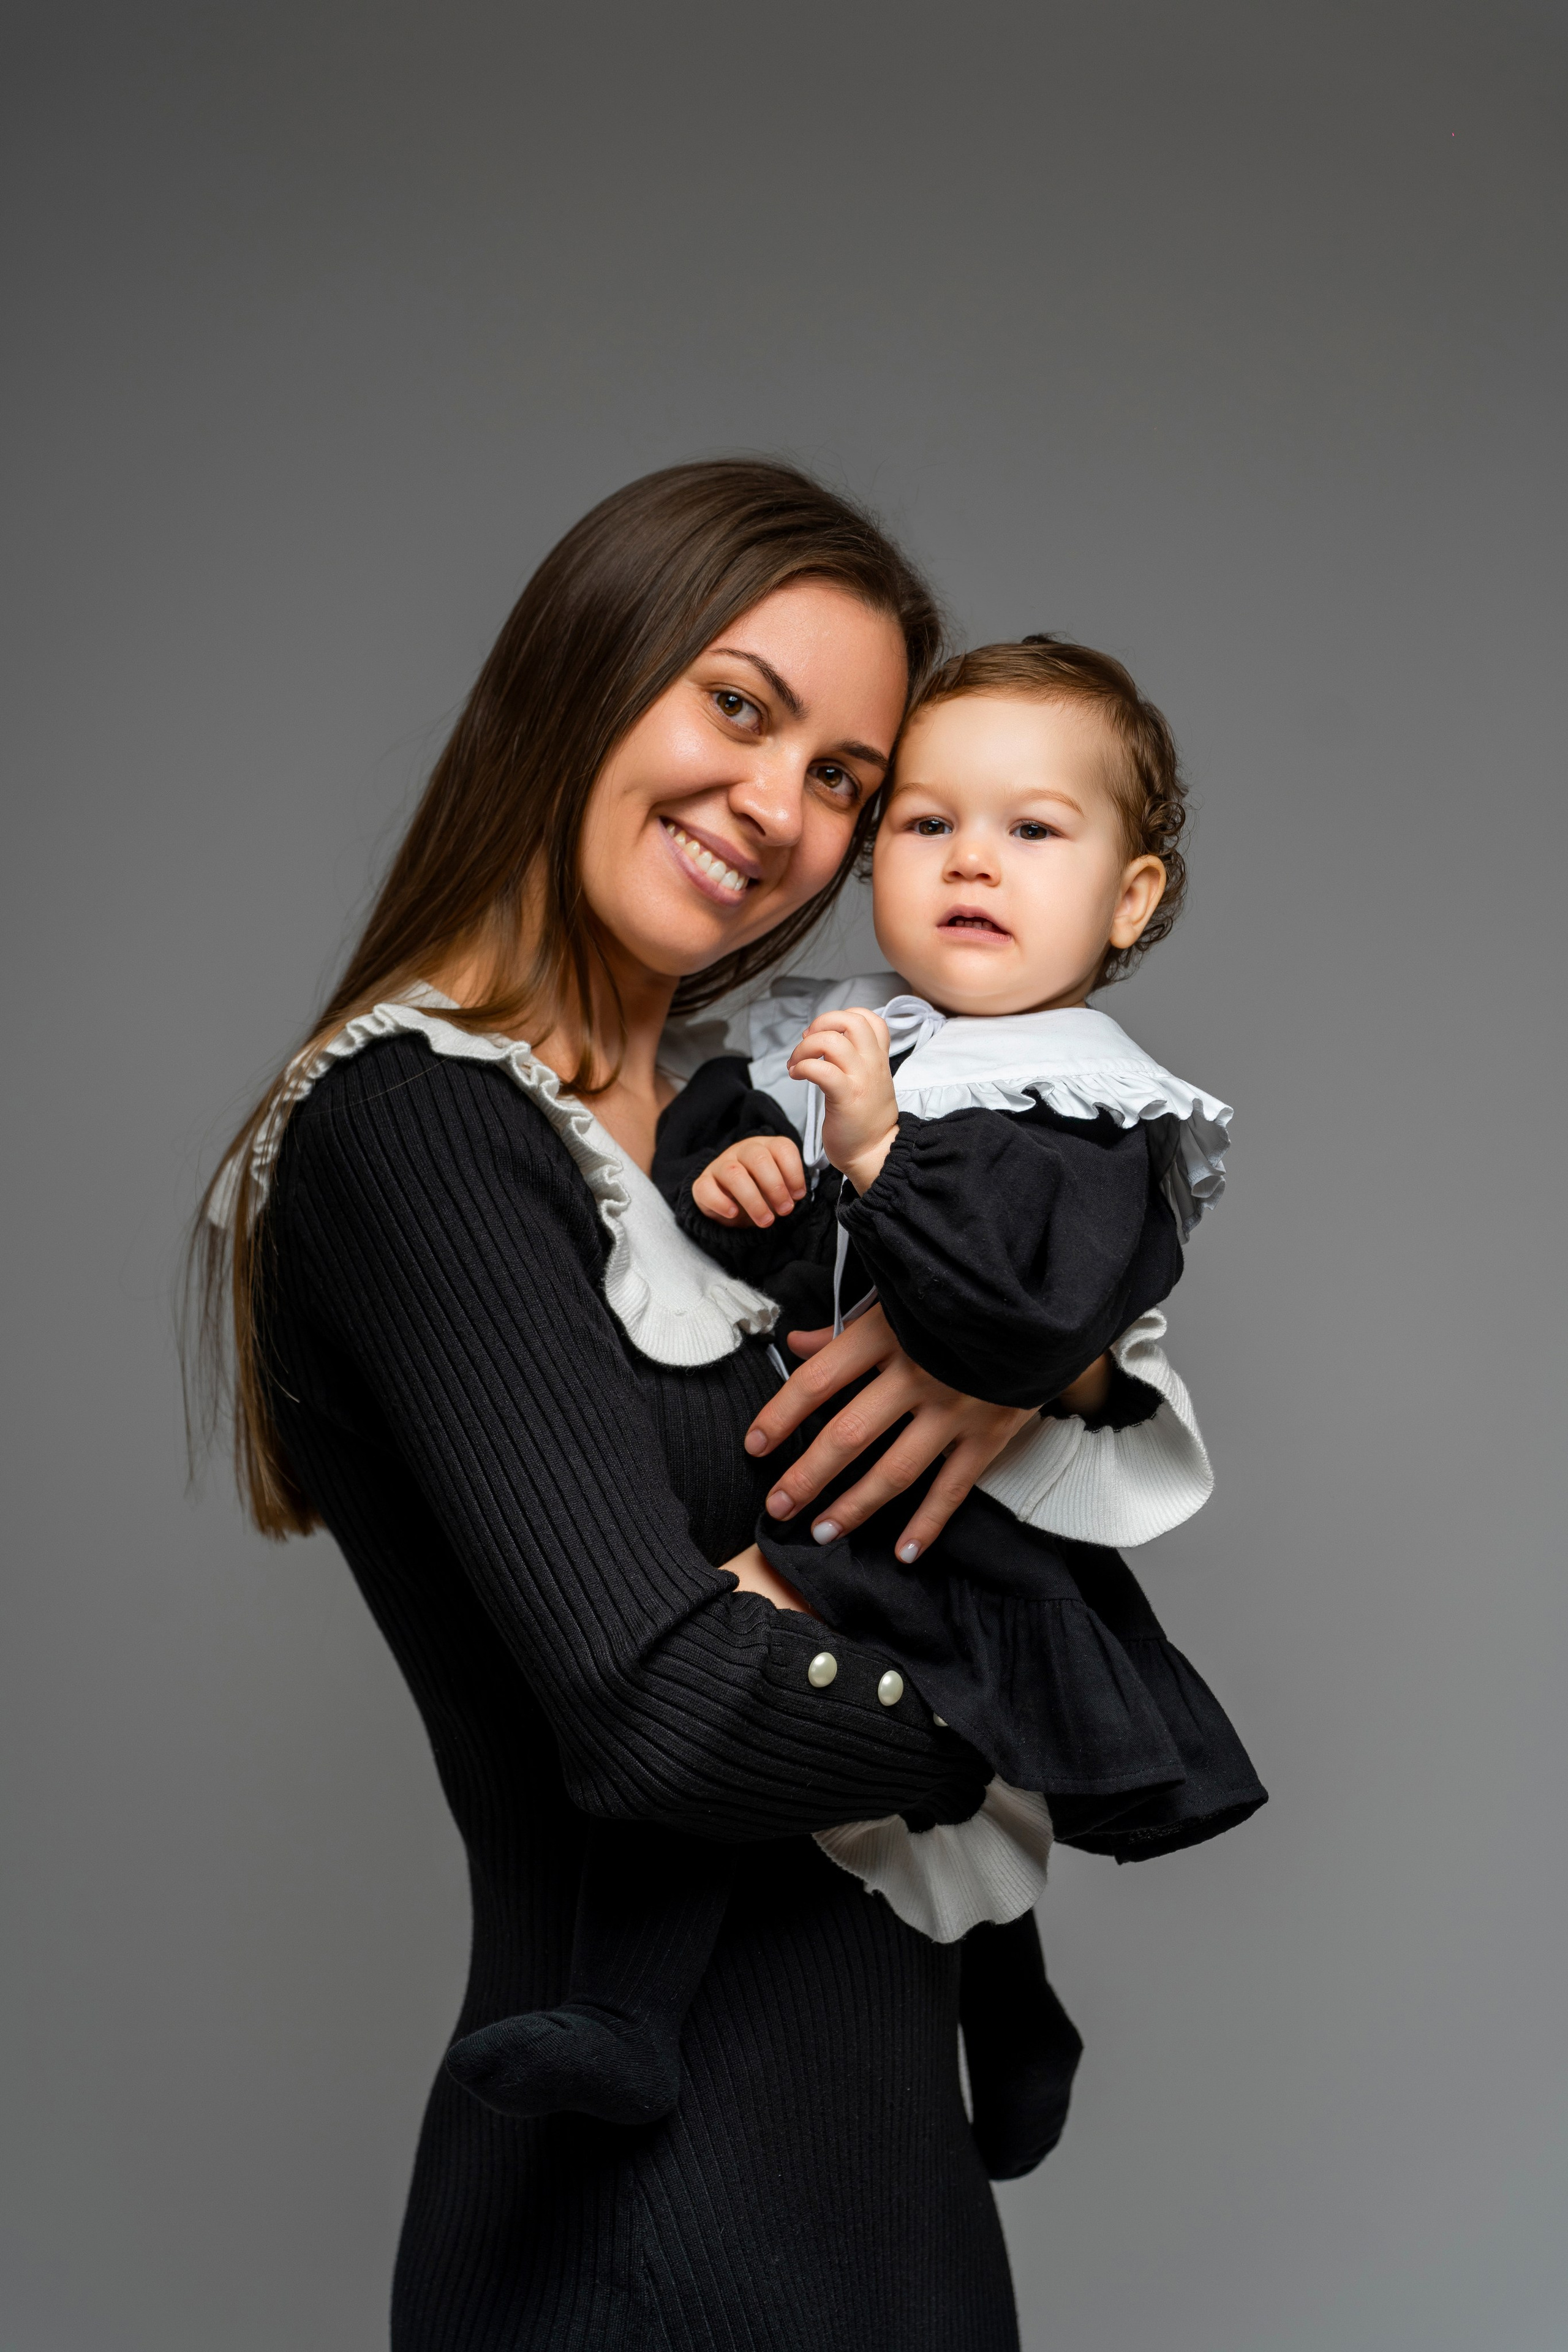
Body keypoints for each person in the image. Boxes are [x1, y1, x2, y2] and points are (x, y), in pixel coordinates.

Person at [189, 462, 1186, 2350]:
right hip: (652, 2235)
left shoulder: (762, 1121)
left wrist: (1023, 1376)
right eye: (739, 705)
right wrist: (1024, 1700)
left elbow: (1044, 1368)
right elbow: (666, 1720)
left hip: (891, 2196)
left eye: (842, 781)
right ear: (587, 672)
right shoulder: (419, 1128)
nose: (777, 812)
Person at [449, 635, 1266, 2177]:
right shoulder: (849, 1033)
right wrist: (742, 1170)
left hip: (957, 1535)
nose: (973, 861)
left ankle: (634, 2011)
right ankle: (1007, 2021)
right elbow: (751, 1233)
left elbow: (1020, 1324)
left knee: (731, 1664)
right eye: (924, 820)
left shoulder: (1091, 1113)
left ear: (1130, 896)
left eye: (1033, 830)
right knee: (912, 1816)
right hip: (835, 1484)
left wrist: (884, 1160)